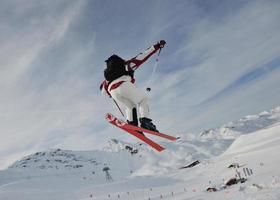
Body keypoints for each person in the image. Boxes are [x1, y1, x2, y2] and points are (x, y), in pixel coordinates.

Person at [100, 40, 166, 132]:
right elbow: (143, 56)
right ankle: (145, 122)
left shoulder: (107, 78)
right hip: (123, 85)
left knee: (130, 105)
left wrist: (111, 95)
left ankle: (132, 123)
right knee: (143, 99)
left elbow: (103, 90)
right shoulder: (126, 66)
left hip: (113, 92)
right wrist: (157, 46)